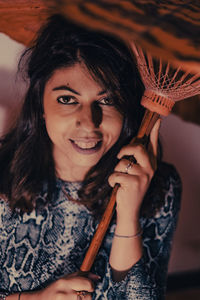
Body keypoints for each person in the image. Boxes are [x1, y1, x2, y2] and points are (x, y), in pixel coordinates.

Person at [0, 14, 181, 300]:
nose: (89, 122)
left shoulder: (161, 186)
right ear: (40, 104)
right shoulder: (3, 176)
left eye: (107, 100)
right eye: (67, 99)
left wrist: (128, 217)